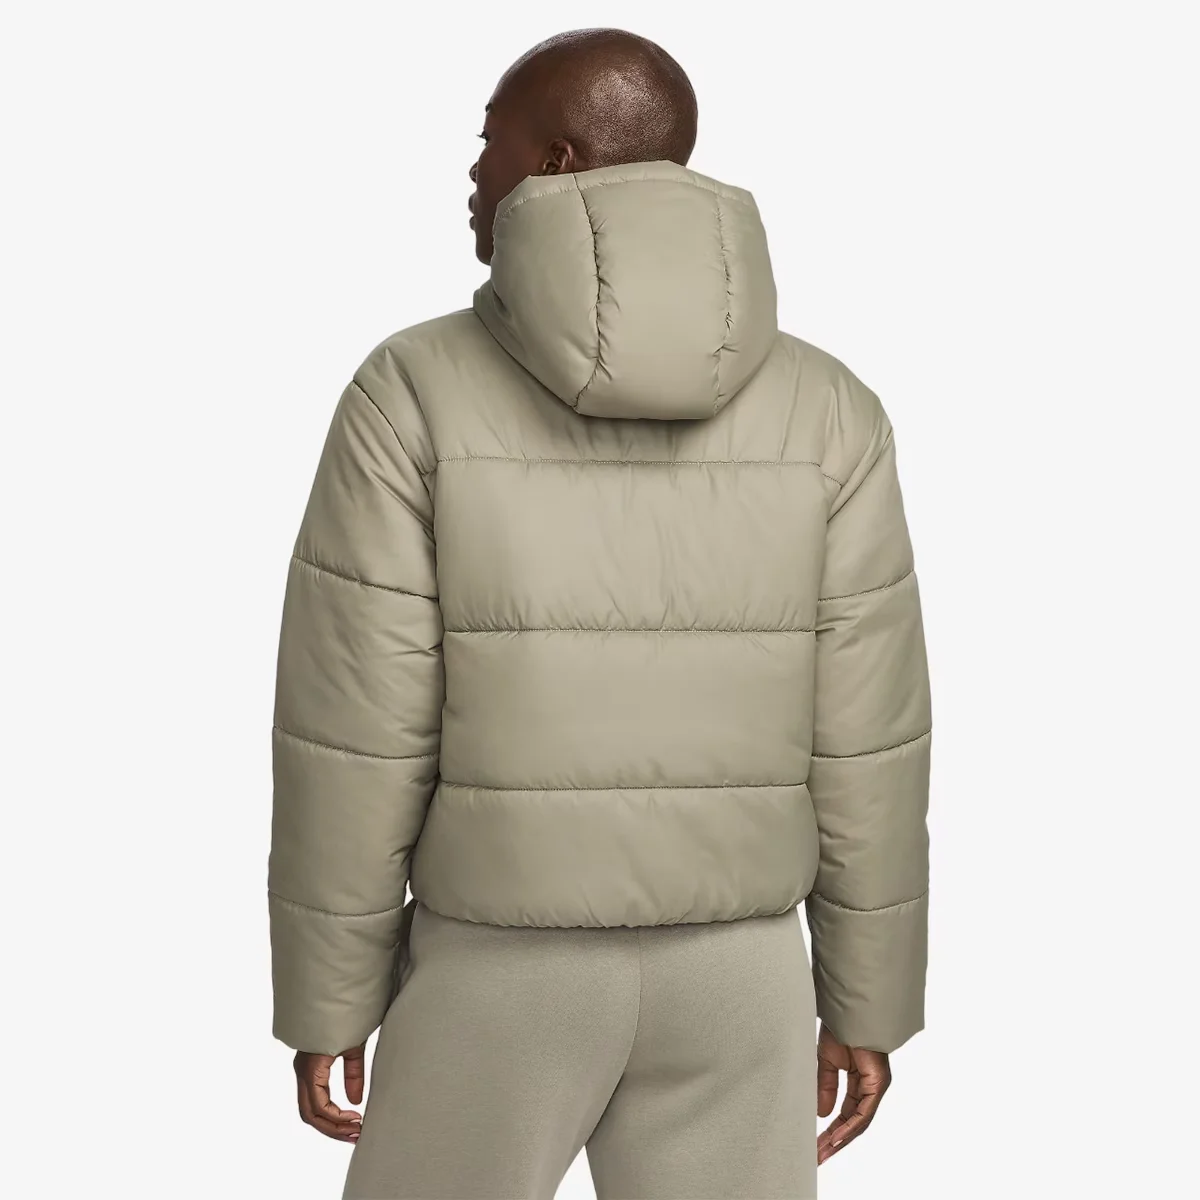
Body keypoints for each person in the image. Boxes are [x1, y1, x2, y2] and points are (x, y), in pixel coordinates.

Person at [269, 26, 931, 1200]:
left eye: (491, 139)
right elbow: (869, 741)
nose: (472, 169)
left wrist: (329, 998)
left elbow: (357, 731)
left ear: (558, 161)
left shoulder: (410, 393)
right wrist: (868, 998)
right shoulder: (831, 411)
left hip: (495, 971)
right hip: (743, 981)